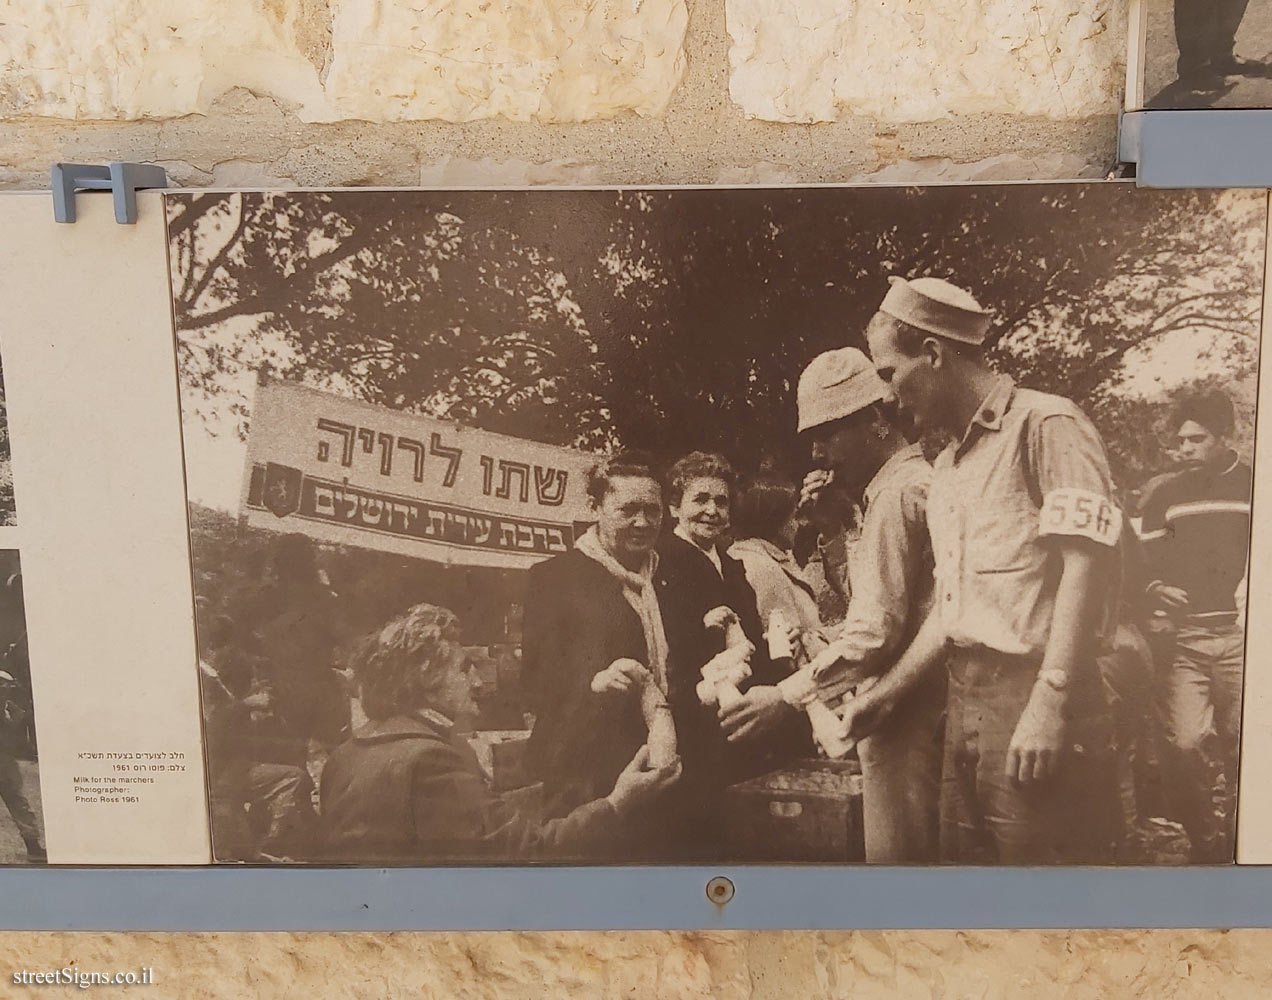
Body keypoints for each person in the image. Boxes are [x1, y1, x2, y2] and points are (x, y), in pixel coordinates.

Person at [849, 275, 1123, 864]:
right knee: (970, 896)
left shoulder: (1046, 424)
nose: (889, 397)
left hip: (1037, 695)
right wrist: (887, 696)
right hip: (965, 698)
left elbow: (1086, 566)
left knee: (1044, 905)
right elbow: (953, 610)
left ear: (932, 354)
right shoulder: (948, 464)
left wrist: (1050, 703)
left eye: (889, 374)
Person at [723, 348, 943, 864]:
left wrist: (787, 696)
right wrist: (836, 526)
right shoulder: (887, 493)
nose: (819, 454)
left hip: (911, 709)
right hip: (902, 704)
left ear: (874, 423)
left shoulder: (898, 495)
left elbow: (875, 629)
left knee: (902, 866)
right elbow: (872, 601)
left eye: (827, 434)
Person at [320, 603, 679, 863]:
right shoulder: (431, 759)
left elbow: (467, 821)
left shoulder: (346, 754)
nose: (477, 681)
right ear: (428, 677)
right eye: (464, 669)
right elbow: (523, 851)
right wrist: (616, 803)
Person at [520, 452, 678, 856]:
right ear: (597, 509)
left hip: (660, 760)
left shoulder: (671, 576)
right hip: (585, 768)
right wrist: (593, 681)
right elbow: (535, 680)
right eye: (628, 509)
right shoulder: (554, 577)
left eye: (652, 510)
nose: (642, 522)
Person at [656, 451, 807, 860]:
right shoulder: (661, 562)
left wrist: (783, 647)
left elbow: (752, 637)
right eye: (699, 500)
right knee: (711, 836)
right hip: (698, 720)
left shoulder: (730, 561)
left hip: (741, 716)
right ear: (674, 507)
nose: (711, 511)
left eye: (721, 502)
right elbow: (667, 647)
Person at [1138, 389, 1251, 862]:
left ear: (1227, 438)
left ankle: (1239, 840)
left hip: (1241, 639)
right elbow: (1140, 564)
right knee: (1184, 745)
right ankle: (1205, 836)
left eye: (1196, 440)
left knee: (1244, 745)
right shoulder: (1164, 493)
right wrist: (1155, 588)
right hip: (1184, 644)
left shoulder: (1252, 483)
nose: (1185, 450)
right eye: (1180, 441)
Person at [727, 475, 833, 665]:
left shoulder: (759, 555)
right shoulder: (763, 568)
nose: (797, 525)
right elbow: (787, 651)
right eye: (792, 517)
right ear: (773, 522)